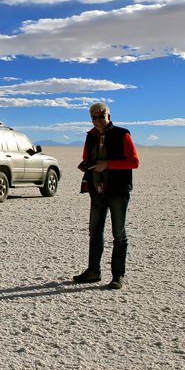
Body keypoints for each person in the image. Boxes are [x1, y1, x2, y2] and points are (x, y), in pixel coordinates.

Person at [73, 102, 140, 290]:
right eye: (93, 117)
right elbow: (88, 158)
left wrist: (108, 164)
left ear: (108, 115)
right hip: (97, 190)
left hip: (118, 191)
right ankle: (93, 271)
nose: (97, 121)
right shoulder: (91, 136)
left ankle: (118, 276)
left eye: (101, 116)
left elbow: (134, 162)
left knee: (119, 234)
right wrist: (85, 165)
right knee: (95, 232)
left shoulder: (122, 134)